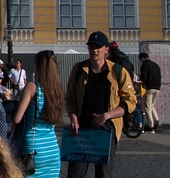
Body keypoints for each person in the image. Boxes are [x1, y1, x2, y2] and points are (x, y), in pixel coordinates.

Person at [63, 30, 136, 178]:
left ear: (106, 49)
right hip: (82, 129)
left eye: (98, 46)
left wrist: (106, 116)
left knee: (103, 174)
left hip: (107, 129)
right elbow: (70, 97)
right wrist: (73, 118)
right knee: (75, 173)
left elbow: (130, 101)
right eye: (91, 46)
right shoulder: (79, 69)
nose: (94, 50)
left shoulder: (118, 71)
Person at [11, 49, 64, 178]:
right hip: (52, 149)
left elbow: (17, 119)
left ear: (38, 66)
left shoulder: (32, 87)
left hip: (33, 150)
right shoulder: (56, 90)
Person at [138, 51, 161, 133]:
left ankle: (151, 127)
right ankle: (157, 122)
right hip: (157, 88)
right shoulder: (156, 65)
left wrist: (140, 80)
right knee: (152, 105)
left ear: (142, 58)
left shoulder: (145, 65)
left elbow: (144, 77)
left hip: (149, 88)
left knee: (147, 107)